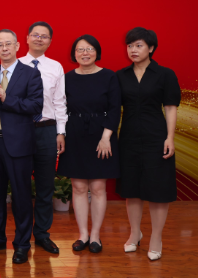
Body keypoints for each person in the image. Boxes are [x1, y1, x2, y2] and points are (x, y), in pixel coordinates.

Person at [116, 27, 180, 261]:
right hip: (129, 137)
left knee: (158, 190)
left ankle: (156, 238)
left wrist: (169, 137)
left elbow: (170, 107)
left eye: (138, 45)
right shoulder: (120, 76)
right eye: (130, 45)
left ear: (151, 48)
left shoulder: (165, 74)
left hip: (157, 137)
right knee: (131, 189)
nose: (133, 50)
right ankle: (135, 233)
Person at [0, 29, 43, 265]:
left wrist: (7, 99)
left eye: (8, 44)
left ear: (18, 46)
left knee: (21, 196)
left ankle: (22, 244)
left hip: (19, 144)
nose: (4, 48)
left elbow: (35, 106)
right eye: (0, 45)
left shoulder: (31, 73)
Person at [57, 35, 121, 253]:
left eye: (90, 49)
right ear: (74, 54)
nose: (85, 53)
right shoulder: (66, 77)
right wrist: (61, 133)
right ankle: (83, 234)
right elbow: (60, 107)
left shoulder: (109, 76)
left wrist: (106, 137)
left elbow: (114, 109)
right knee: (78, 187)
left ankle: (95, 236)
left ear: (97, 52)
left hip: (101, 133)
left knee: (98, 187)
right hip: (74, 132)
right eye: (80, 49)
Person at [18, 21, 67, 255]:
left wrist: (60, 132)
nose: (39, 39)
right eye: (35, 35)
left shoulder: (56, 67)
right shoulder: (15, 63)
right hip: (21, 129)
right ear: (27, 38)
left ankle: (42, 234)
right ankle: (22, 236)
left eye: (44, 36)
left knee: (45, 186)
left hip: (47, 129)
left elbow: (60, 102)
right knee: (21, 186)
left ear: (50, 41)